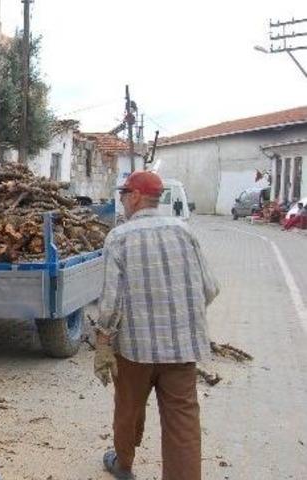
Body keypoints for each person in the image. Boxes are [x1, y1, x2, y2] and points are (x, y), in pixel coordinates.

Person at [94, 171, 219, 480]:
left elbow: (111, 301)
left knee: (128, 409)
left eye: (124, 194)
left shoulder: (119, 237)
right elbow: (210, 288)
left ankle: (123, 464)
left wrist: (103, 341)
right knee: (183, 421)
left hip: (135, 351)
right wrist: (182, 319)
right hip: (182, 350)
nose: (122, 200)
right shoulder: (184, 231)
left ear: (136, 196)